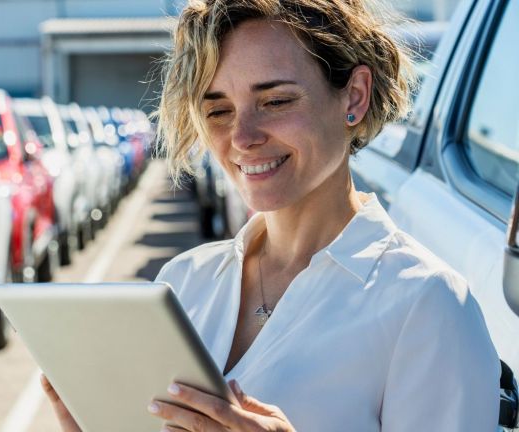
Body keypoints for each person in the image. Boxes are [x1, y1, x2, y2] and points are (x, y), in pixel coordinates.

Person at [41, 0, 501, 430]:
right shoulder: (184, 282)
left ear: (354, 97)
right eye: (218, 110)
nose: (241, 136)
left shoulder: (428, 305)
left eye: (276, 101)